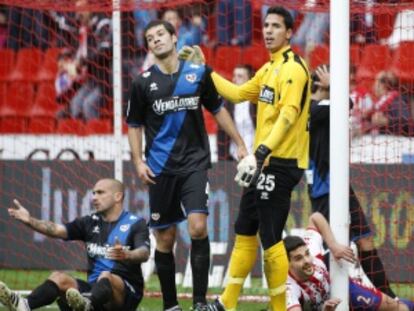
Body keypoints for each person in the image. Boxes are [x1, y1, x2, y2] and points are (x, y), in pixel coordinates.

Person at [180, 6, 311, 311]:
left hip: (280, 163)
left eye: (276, 26)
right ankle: (227, 302)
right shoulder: (268, 69)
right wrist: (205, 69)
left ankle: (280, 307)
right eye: (266, 25)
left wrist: (262, 150)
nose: (268, 31)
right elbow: (237, 93)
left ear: (289, 32)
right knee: (244, 228)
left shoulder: (293, 68)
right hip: (263, 163)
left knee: (270, 236)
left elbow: (289, 116)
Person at [126, 20, 248, 311]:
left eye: (160, 35)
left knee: (197, 227)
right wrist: (137, 161)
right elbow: (133, 125)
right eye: (150, 38)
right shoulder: (142, 82)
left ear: (174, 37)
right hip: (159, 169)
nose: (155, 40)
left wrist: (240, 143)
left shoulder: (197, 73)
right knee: (165, 239)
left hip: (194, 164)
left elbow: (218, 110)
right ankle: (171, 305)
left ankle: (198, 303)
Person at [308, 64, 400, 299]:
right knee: (333, 252)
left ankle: (390, 299)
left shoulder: (321, 108)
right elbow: (346, 104)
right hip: (324, 188)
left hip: (338, 185)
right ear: (320, 83)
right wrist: (333, 86)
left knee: (365, 242)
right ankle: (321, 297)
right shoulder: (311, 109)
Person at [0, 178, 150, 311]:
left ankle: (86, 305)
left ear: (118, 196)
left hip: (125, 293)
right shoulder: (89, 222)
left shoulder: (136, 223)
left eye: (100, 193)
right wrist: (30, 221)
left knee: (106, 276)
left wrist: (128, 254)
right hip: (94, 291)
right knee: (59, 277)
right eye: (93, 193)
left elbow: (144, 252)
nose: (94, 198)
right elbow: (57, 230)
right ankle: (23, 305)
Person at [284, 212, 414, 311]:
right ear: (287, 264)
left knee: (401, 308)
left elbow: (315, 217)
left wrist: (333, 246)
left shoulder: (311, 246)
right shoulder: (289, 290)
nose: (307, 260)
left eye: (307, 254)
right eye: (298, 258)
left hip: (343, 288)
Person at [218, 64, 256, 160]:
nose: (234, 79)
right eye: (234, 76)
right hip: (233, 157)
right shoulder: (227, 103)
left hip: (255, 156)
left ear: (249, 79)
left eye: (240, 76)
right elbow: (222, 133)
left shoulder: (257, 102)